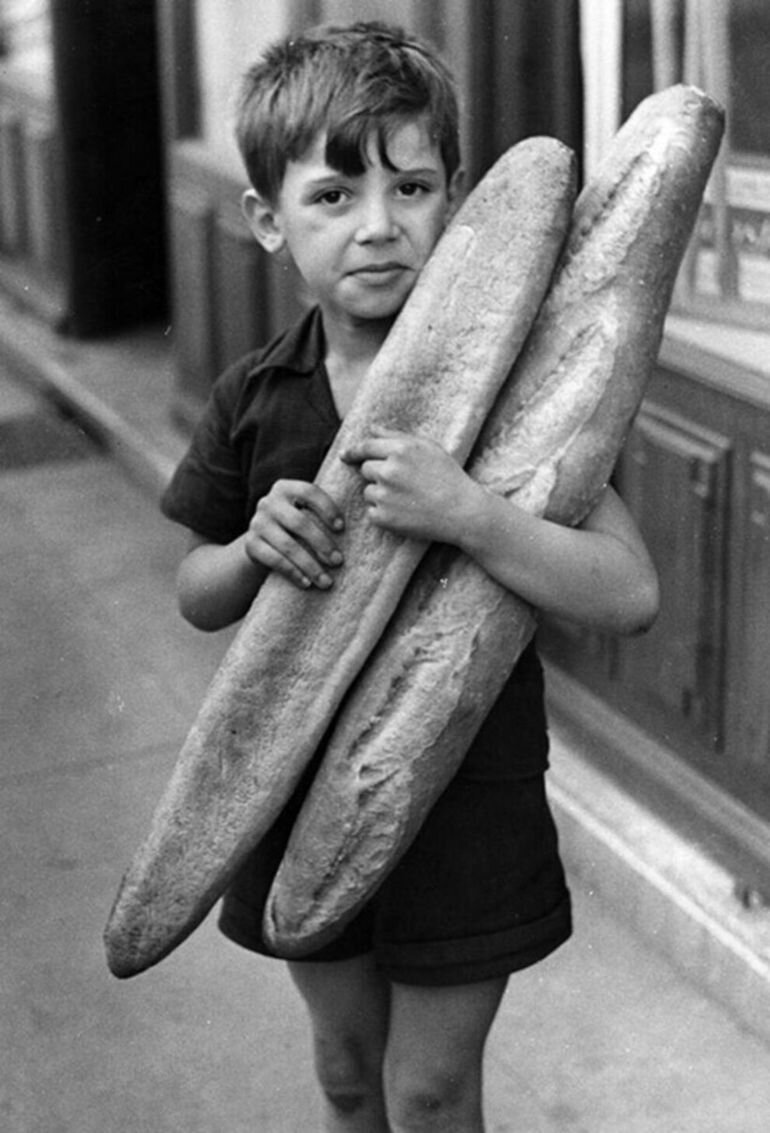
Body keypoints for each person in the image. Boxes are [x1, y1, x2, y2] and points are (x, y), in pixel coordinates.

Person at [161, 20, 660, 1132]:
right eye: (333, 196)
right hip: (293, 793)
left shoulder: (513, 396)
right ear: (267, 220)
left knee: (429, 1093)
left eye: (413, 187)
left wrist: (472, 513)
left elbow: (628, 594)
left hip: (467, 798)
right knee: (347, 1069)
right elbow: (194, 591)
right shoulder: (257, 394)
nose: (379, 226)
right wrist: (248, 551)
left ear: (459, 202)